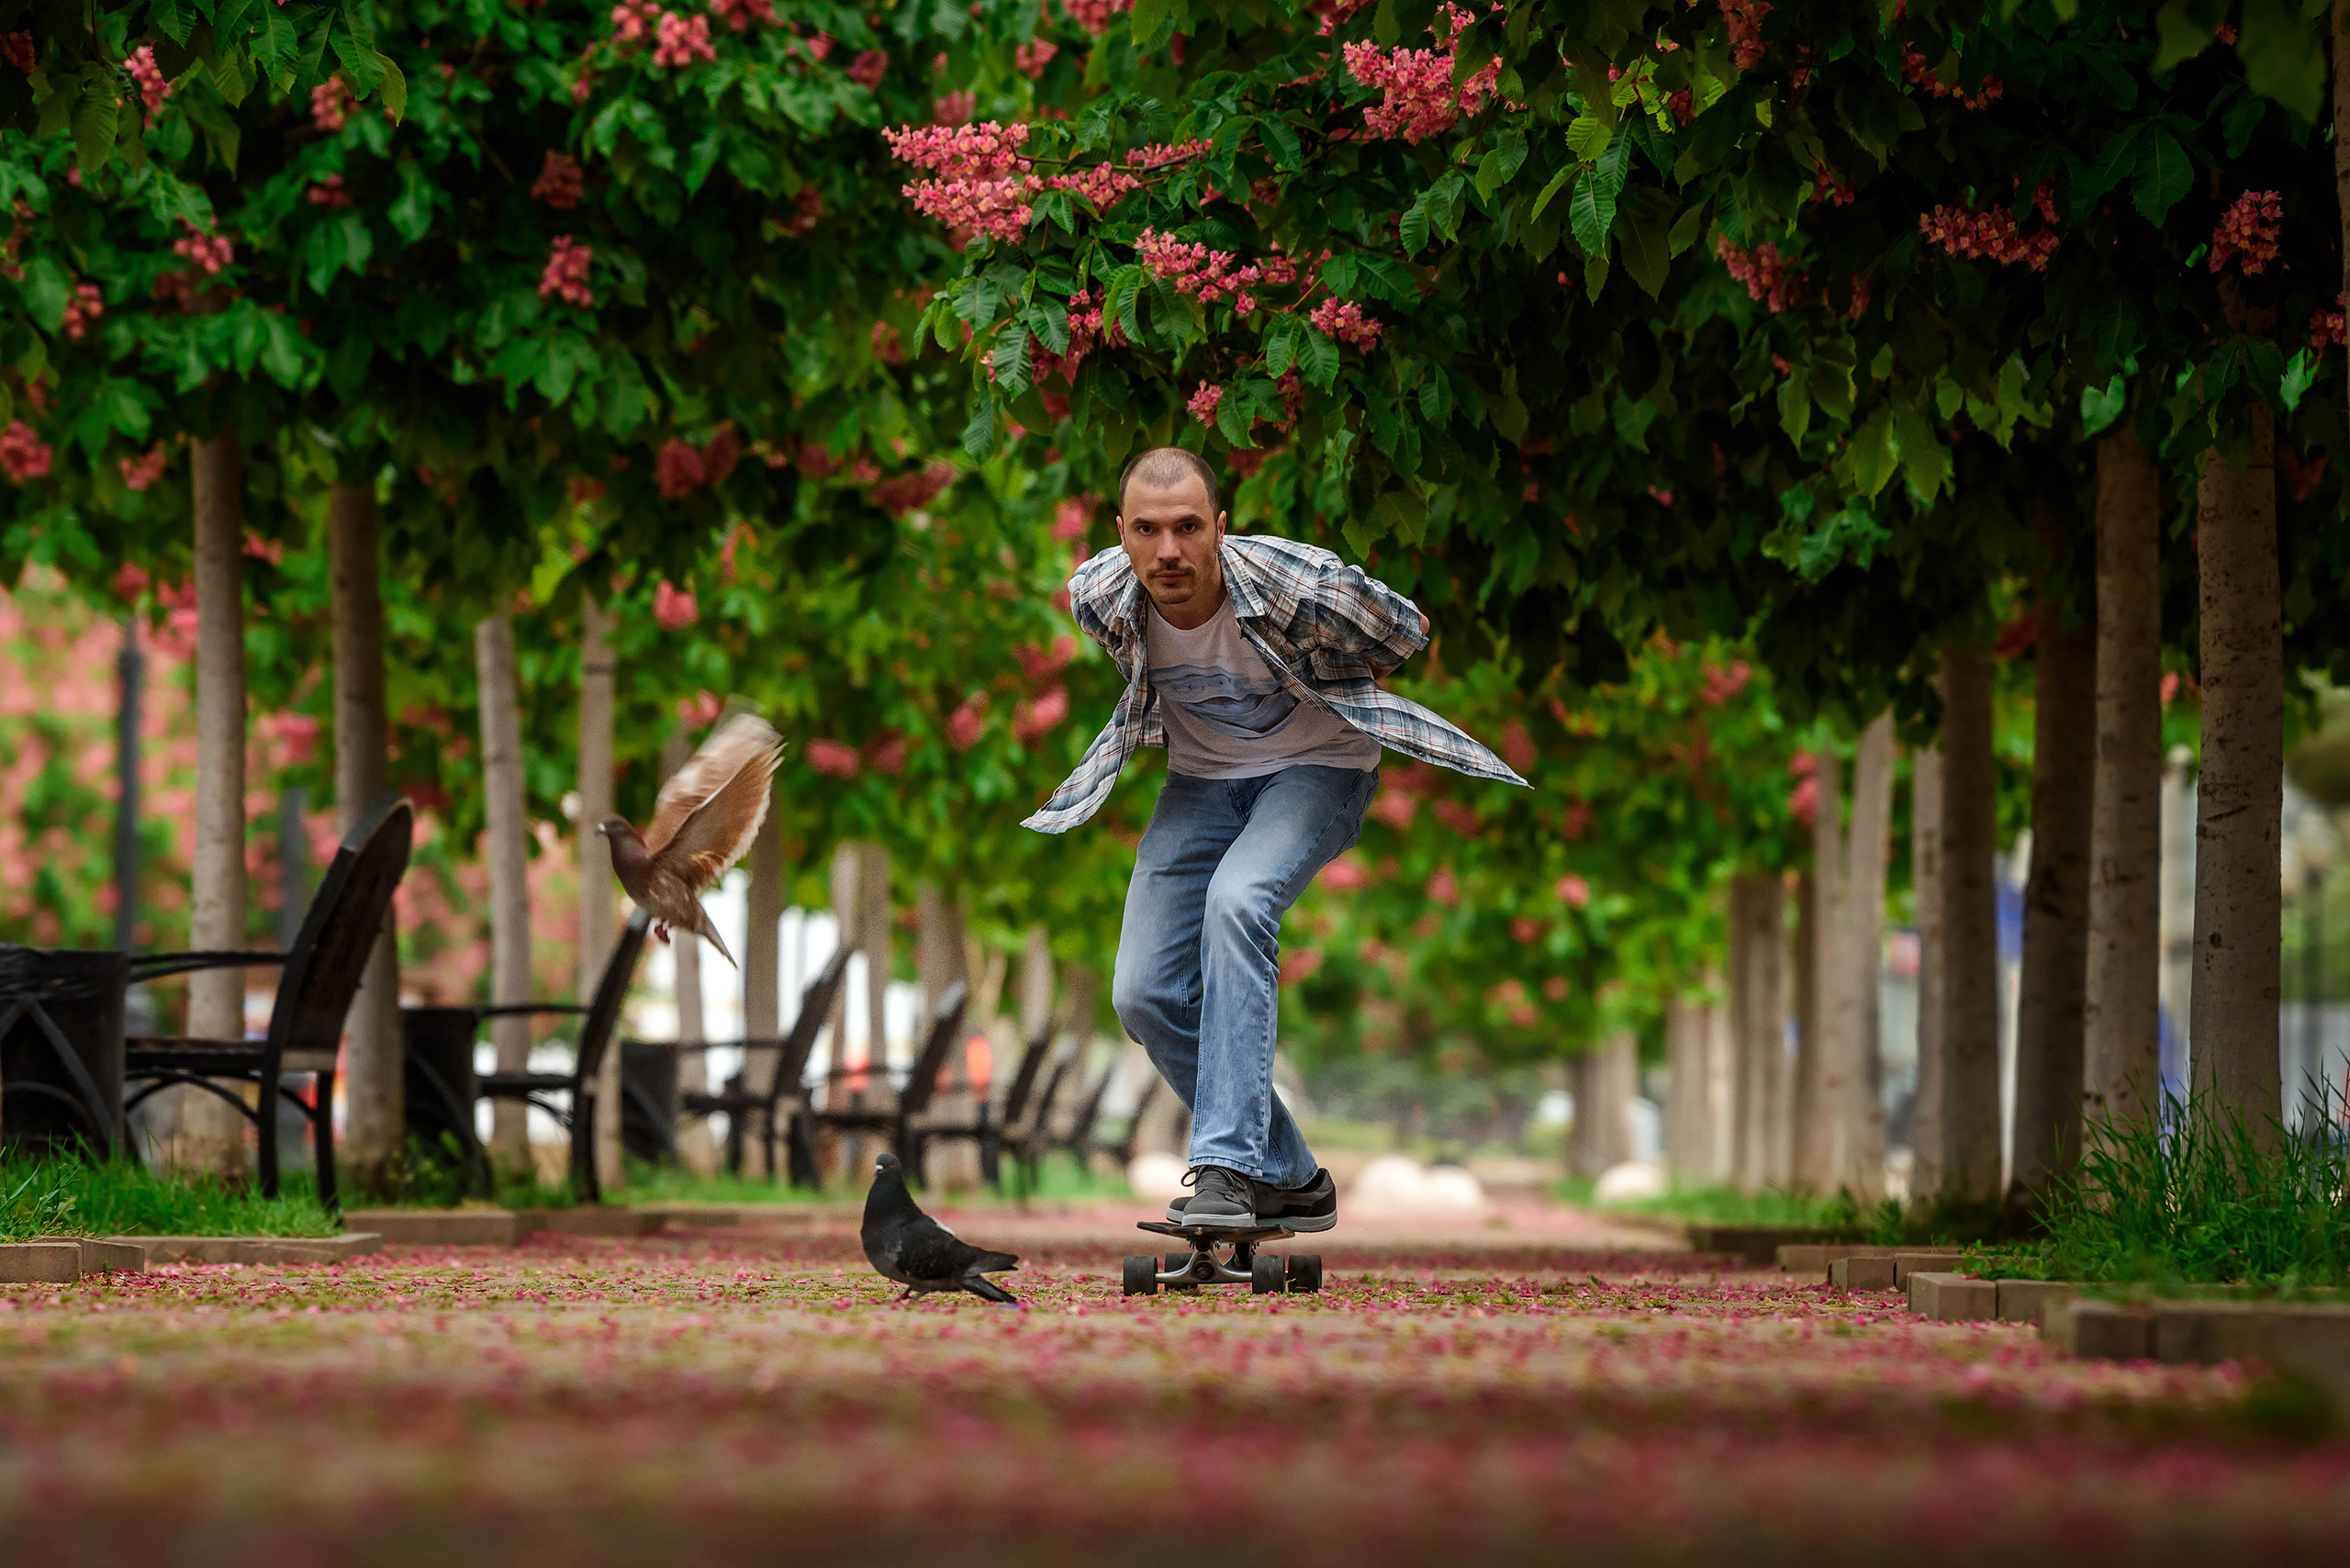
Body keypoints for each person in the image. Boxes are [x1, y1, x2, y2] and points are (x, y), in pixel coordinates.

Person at [1023, 448, 1527, 1231]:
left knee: (1239, 900)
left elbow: (1406, 630)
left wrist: (1339, 647)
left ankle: (1227, 1169)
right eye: (1148, 530)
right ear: (1120, 534)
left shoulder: (1291, 583)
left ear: (1220, 528)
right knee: (1142, 994)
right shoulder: (1099, 594)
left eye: (1189, 528)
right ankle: (1289, 1175)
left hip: (1319, 767)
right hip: (1200, 781)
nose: (1168, 551)